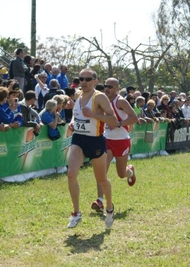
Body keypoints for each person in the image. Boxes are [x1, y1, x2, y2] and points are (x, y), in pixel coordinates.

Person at [66, 68, 117, 228]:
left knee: (101, 179)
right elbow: (77, 113)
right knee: (71, 173)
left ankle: (109, 207)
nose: (84, 82)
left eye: (88, 79)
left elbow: (113, 120)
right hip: (79, 138)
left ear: (95, 81)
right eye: (81, 79)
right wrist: (73, 121)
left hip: (95, 140)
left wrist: (94, 115)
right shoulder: (77, 94)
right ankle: (76, 213)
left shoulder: (99, 97)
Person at [91, 78, 139, 213]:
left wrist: (117, 124)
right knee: (101, 171)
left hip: (122, 140)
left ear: (117, 88)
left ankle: (130, 171)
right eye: (106, 86)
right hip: (106, 140)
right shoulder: (101, 100)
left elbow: (134, 118)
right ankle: (99, 200)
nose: (107, 89)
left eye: (111, 87)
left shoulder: (121, 101)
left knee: (121, 174)